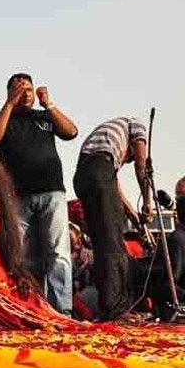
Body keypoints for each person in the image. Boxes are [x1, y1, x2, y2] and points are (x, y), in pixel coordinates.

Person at [0, 73, 79, 315]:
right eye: (19, 89)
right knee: (24, 256)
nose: (25, 93)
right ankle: (32, 308)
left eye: (29, 89)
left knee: (58, 253)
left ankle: (62, 310)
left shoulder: (44, 117)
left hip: (52, 192)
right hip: (17, 196)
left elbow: (71, 132)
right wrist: (9, 103)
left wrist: (48, 103)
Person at [73, 117, 152, 322]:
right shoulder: (136, 125)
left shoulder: (105, 147)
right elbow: (142, 167)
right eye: (131, 158)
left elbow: (114, 188)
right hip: (98, 174)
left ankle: (110, 306)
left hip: (85, 177)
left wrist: (135, 217)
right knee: (113, 245)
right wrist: (147, 201)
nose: (130, 160)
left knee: (104, 242)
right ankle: (116, 310)